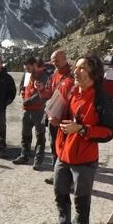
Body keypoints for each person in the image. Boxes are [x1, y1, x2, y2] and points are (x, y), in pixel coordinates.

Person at [41, 54, 113, 224]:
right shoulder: (73, 92)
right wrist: (57, 122)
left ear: (93, 73)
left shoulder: (101, 98)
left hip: (84, 159)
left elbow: (109, 131)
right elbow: (68, 120)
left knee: (81, 200)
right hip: (64, 155)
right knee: (60, 192)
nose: (76, 70)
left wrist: (82, 129)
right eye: (76, 67)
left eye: (82, 68)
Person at [12, 57, 51, 170]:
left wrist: (28, 101)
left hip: (38, 111)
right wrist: (22, 91)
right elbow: (22, 86)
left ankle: (38, 160)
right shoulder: (28, 74)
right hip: (26, 110)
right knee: (25, 135)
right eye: (25, 69)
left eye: (29, 68)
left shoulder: (43, 76)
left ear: (35, 65)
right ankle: (24, 155)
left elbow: (42, 94)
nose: (27, 71)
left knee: (40, 136)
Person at [44, 50, 73, 184]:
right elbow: (49, 93)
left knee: (66, 148)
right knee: (54, 145)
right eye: (53, 60)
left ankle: (69, 178)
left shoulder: (72, 75)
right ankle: (56, 173)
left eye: (57, 59)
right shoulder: (54, 75)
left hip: (66, 119)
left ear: (65, 58)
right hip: (52, 117)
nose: (54, 62)